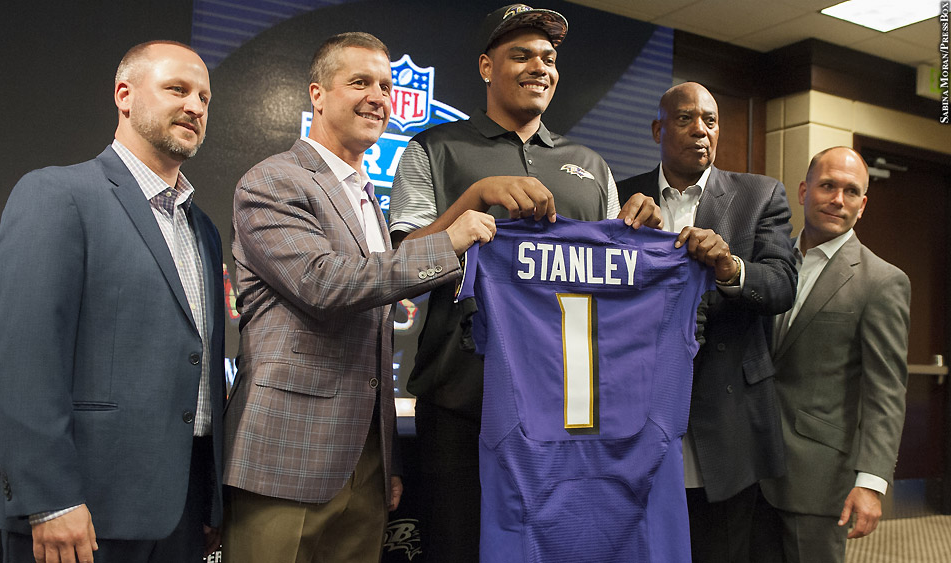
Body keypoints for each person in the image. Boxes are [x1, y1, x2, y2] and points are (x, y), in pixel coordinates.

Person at [388, 4, 661, 560]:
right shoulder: (433, 150)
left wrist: (643, 239)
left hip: (568, 414)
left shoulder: (591, 164)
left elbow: (615, 291)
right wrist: (473, 198)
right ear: (487, 67)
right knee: (459, 548)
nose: (541, 66)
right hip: (463, 401)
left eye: (550, 58)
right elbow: (401, 272)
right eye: (523, 55)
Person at [221, 32, 494, 563]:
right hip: (285, 458)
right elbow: (325, 285)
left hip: (365, 465)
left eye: (386, 86)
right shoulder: (274, 181)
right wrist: (451, 239)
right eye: (360, 82)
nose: (378, 96)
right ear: (317, 94)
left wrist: (385, 458)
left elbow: (373, 338)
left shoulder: (368, 196)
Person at [0, 41, 224, 563]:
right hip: (81, 512)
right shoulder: (57, 194)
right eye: (177, 89)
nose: (195, 107)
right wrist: (50, 500)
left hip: (182, 514)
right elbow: (22, 359)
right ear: (125, 95)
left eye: (205, 97)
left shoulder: (203, 228)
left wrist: (211, 501)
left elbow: (198, 371)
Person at [616, 81, 798, 563]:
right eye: (684, 119)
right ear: (659, 128)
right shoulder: (619, 197)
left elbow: (781, 285)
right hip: (637, 411)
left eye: (711, 121)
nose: (701, 130)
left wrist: (730, 267)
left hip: (726, 420)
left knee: (720, 547)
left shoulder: (760, 195)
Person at [754, 147, 910, 562]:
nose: (837, 199)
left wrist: (871, 482)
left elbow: (886, 394)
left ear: (862, 205)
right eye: (827, 186)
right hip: (747, 469)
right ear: (804, 190)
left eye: (850, 191)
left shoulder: (882, 282)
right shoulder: (765, 261)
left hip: (818, 480)